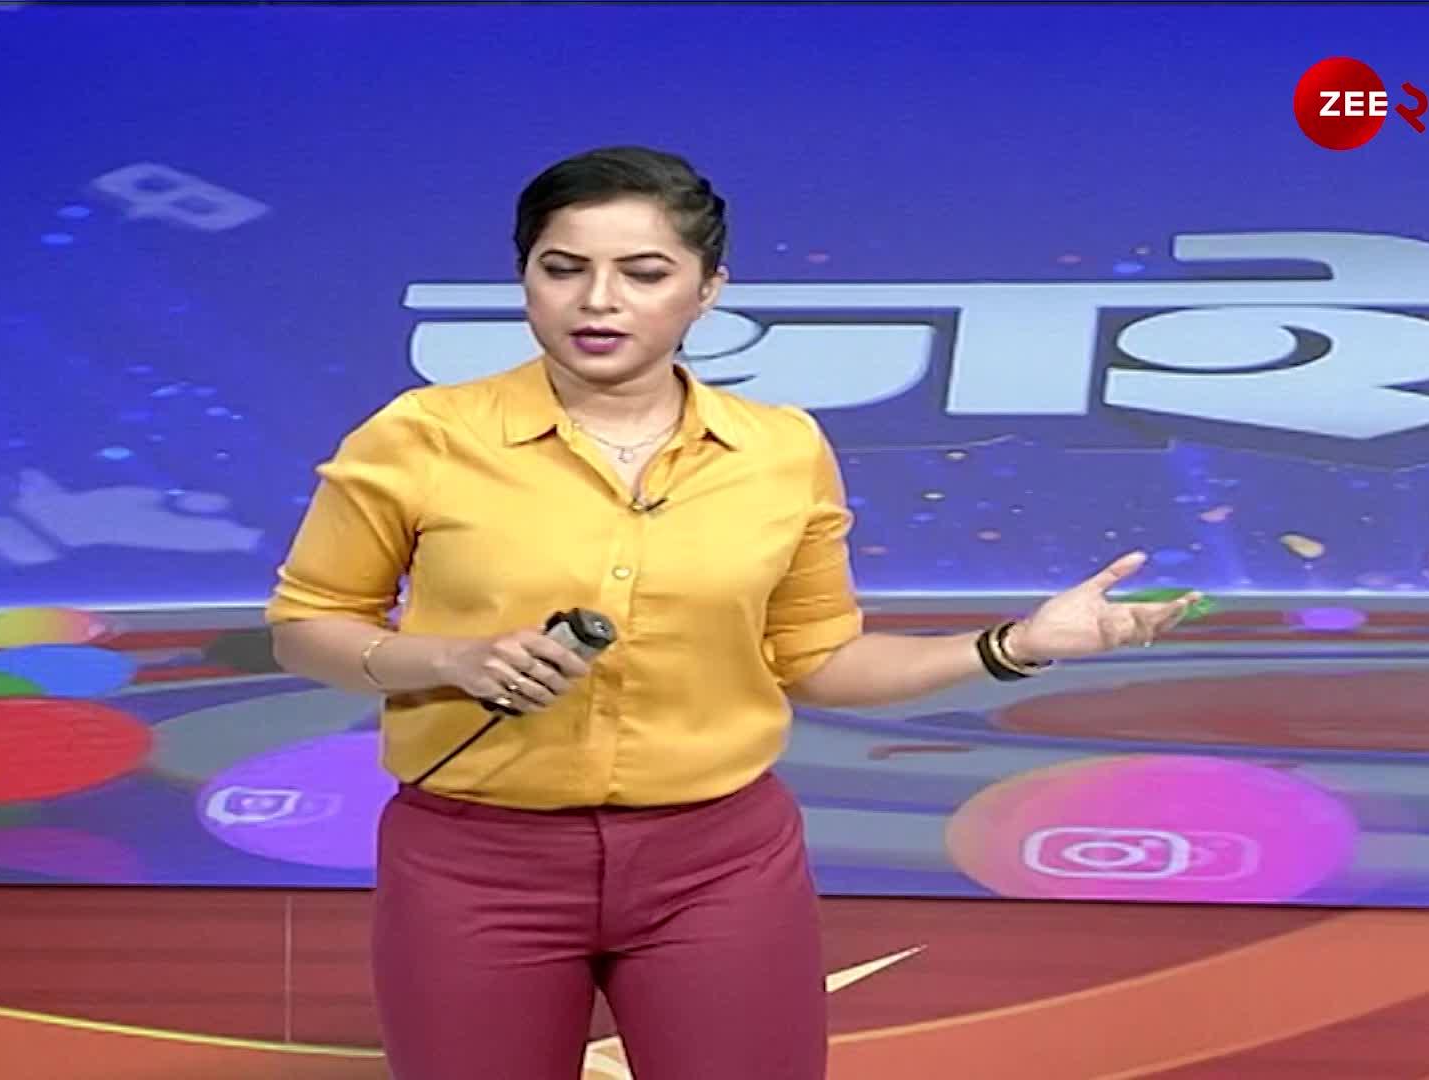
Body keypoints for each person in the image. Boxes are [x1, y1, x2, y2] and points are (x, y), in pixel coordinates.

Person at [266, 145, 1201, 1080]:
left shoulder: (780, 451)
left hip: (716, 865)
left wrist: (1014, 646)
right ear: (525, 280)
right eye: (563, 269)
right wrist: (447, 660)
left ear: (708, 290)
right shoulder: (419, 436)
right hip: (475, 860)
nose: (598, 301)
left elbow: (818, 660)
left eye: (644, 273)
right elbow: (308, 628)